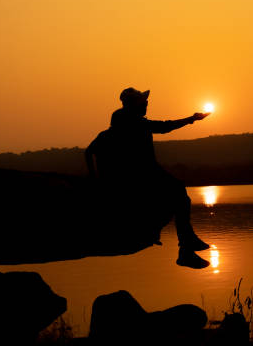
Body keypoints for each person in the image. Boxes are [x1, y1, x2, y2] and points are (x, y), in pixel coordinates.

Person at [85, 87, 211, 269]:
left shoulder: (113, 130)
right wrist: (192, 119)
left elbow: (90, 152)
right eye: (144, 103)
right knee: (180, 195)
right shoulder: (136, 124)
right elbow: (165, 126)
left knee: (179, 193)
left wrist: (94, 177)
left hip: (143, 174)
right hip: (144, 176)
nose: (146, 105)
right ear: (134, 105)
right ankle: (186, 248)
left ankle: (187, 244)